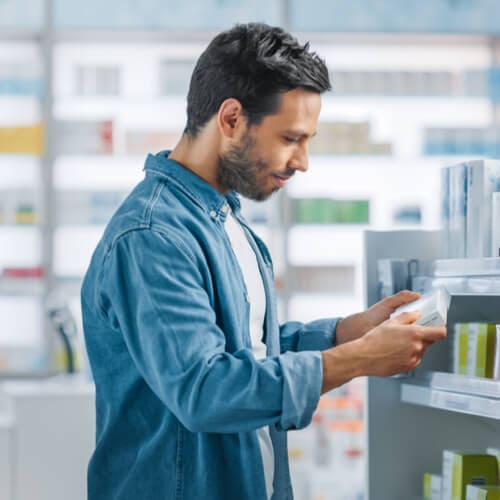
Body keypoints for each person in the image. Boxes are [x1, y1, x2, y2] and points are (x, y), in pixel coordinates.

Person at [81, 22, 446, 500]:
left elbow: (245, 349)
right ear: (231, 119)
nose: (302, 161)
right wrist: (357, 360)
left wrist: (343, 333)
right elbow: (206, 390)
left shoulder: (223, 220)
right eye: (291, 138)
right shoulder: (153, 237)